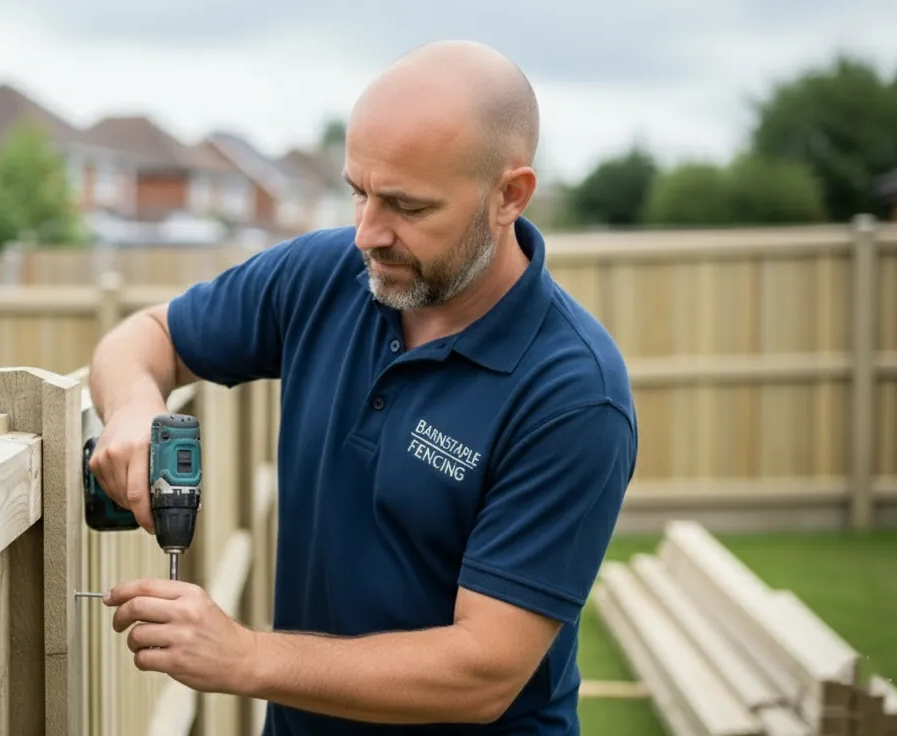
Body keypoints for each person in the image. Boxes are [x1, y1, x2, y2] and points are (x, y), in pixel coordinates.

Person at [84, 39, 637, 735]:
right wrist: (134, 407)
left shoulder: (573, 395)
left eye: (406, 205)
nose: (367, 233)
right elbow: (145, 336)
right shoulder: (325, 278)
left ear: (509, 196)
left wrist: (247, 658)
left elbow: (483, 672)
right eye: (358, 192)